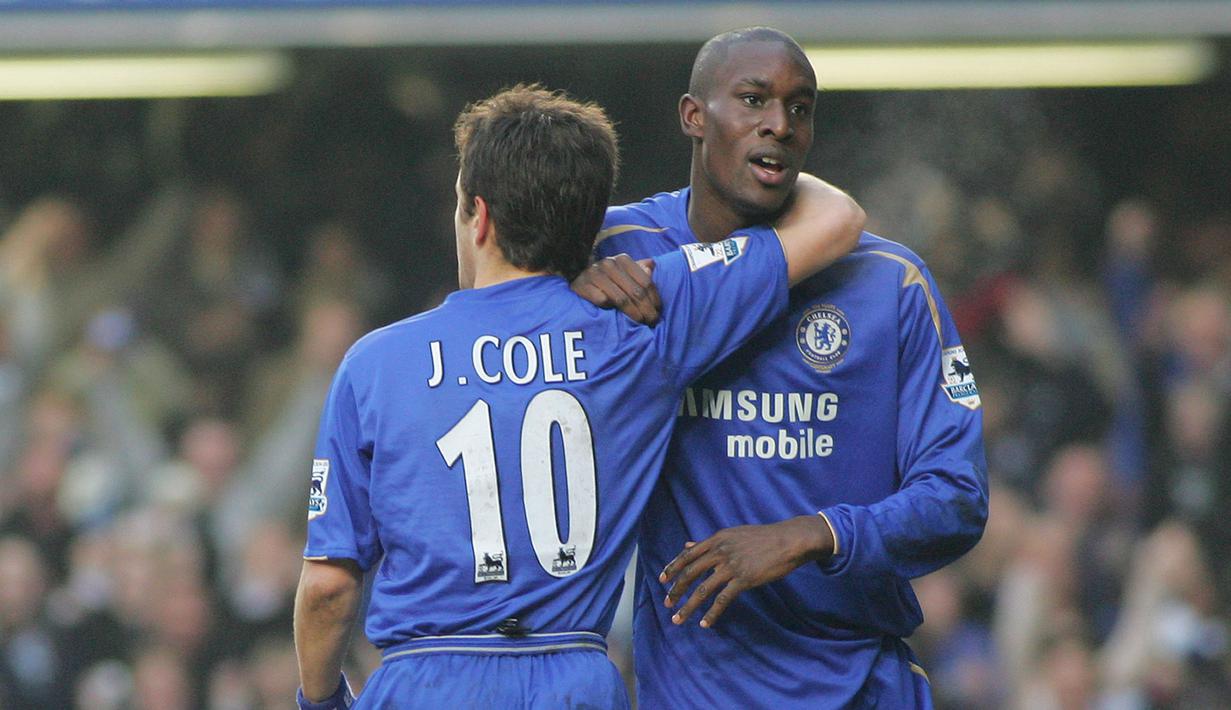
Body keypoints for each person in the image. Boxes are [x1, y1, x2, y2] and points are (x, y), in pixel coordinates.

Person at [292, 84, 863, 709]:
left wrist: (322, 702)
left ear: (480, 216)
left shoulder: (375, 363)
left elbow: (328, 589)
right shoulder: (644, 320)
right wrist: (581, 220)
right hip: (574, 680)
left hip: (423, 684)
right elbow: (836, 216)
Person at [593, 27, 989, 707]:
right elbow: (493, 292)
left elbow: (957, 498)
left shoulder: (889, 281)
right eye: (753, 100)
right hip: (697, 690)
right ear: (693, 116)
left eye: (798, 108)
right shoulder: (617, 249)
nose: (778, 124)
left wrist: (814, 534)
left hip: (861, 684)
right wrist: (571, 284)